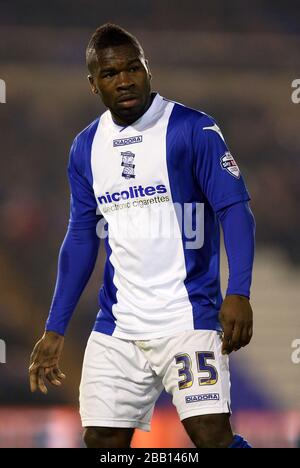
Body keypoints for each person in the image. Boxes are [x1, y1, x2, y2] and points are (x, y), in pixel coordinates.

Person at [29, 23, 255, 449]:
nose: (125, 80)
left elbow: (235, 210)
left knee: (211, 436)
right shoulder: (85, 148)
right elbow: (81, 236)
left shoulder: (192, 129)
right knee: (101, 441)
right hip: (118, 326)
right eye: (111, 74)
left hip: (188, 320)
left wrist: (239, 291)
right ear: (93, 83)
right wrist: (55, 328)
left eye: (134, 68)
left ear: (148, 69)